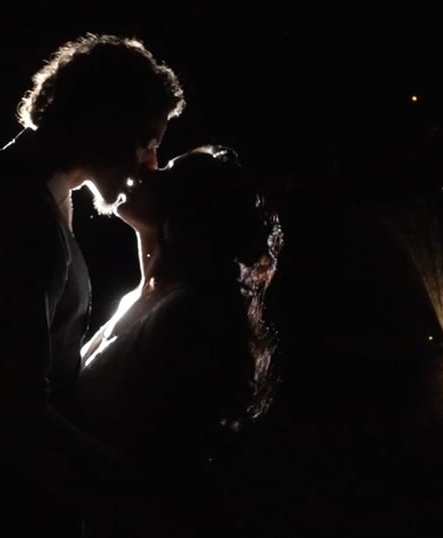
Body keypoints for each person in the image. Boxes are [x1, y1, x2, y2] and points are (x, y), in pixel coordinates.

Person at [0, 32, 186, 538]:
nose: (151, 162)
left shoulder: (42, 193)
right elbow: (11, 413)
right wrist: (128, 492)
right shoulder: (21, 214)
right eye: (147, 140)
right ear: (106, 118)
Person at [75, 144, 284, 537]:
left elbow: (155, 463)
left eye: (166, 173)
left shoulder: (188, 316)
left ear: (189, 210)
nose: (149, 170)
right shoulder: (141, 298)